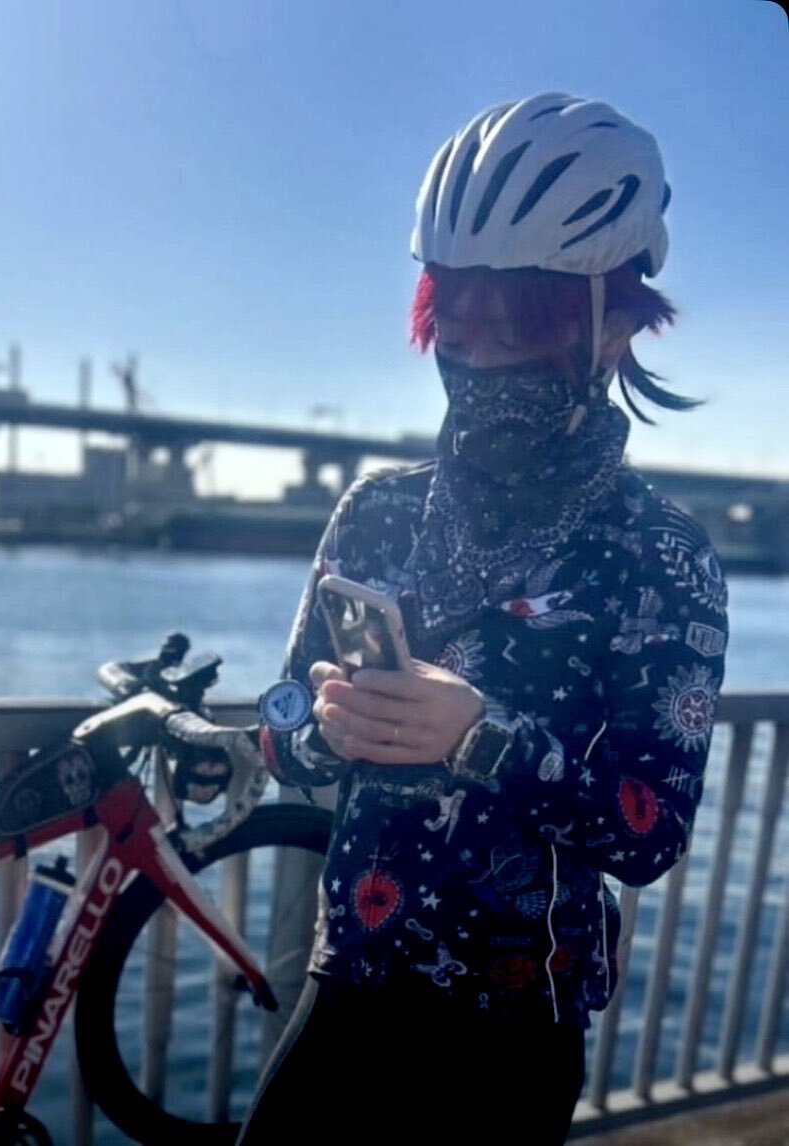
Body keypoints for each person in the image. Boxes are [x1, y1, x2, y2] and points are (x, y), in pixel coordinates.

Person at [243, 92, 728, 1144]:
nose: (478, 357)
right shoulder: (375, 511)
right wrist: (321, 726)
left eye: (517, 326)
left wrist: (480, 738)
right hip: (348, 977)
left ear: (612, 330)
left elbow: (650, 831)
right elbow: (278, 729)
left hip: (512, 1030)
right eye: (455, 323)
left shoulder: (662, 553)